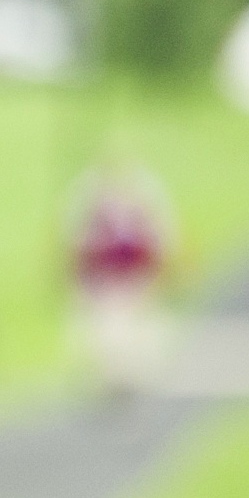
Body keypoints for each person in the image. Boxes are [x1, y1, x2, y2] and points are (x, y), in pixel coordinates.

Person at [66, 148, 177, 402]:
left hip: (134, 282)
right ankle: (110, 381)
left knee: (133, 334)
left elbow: (157, 248)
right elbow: (79, 251)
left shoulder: (142, 214)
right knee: (107, 334)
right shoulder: (94, 216)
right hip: (105, 283)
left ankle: (128, 381)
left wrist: (154, 283)